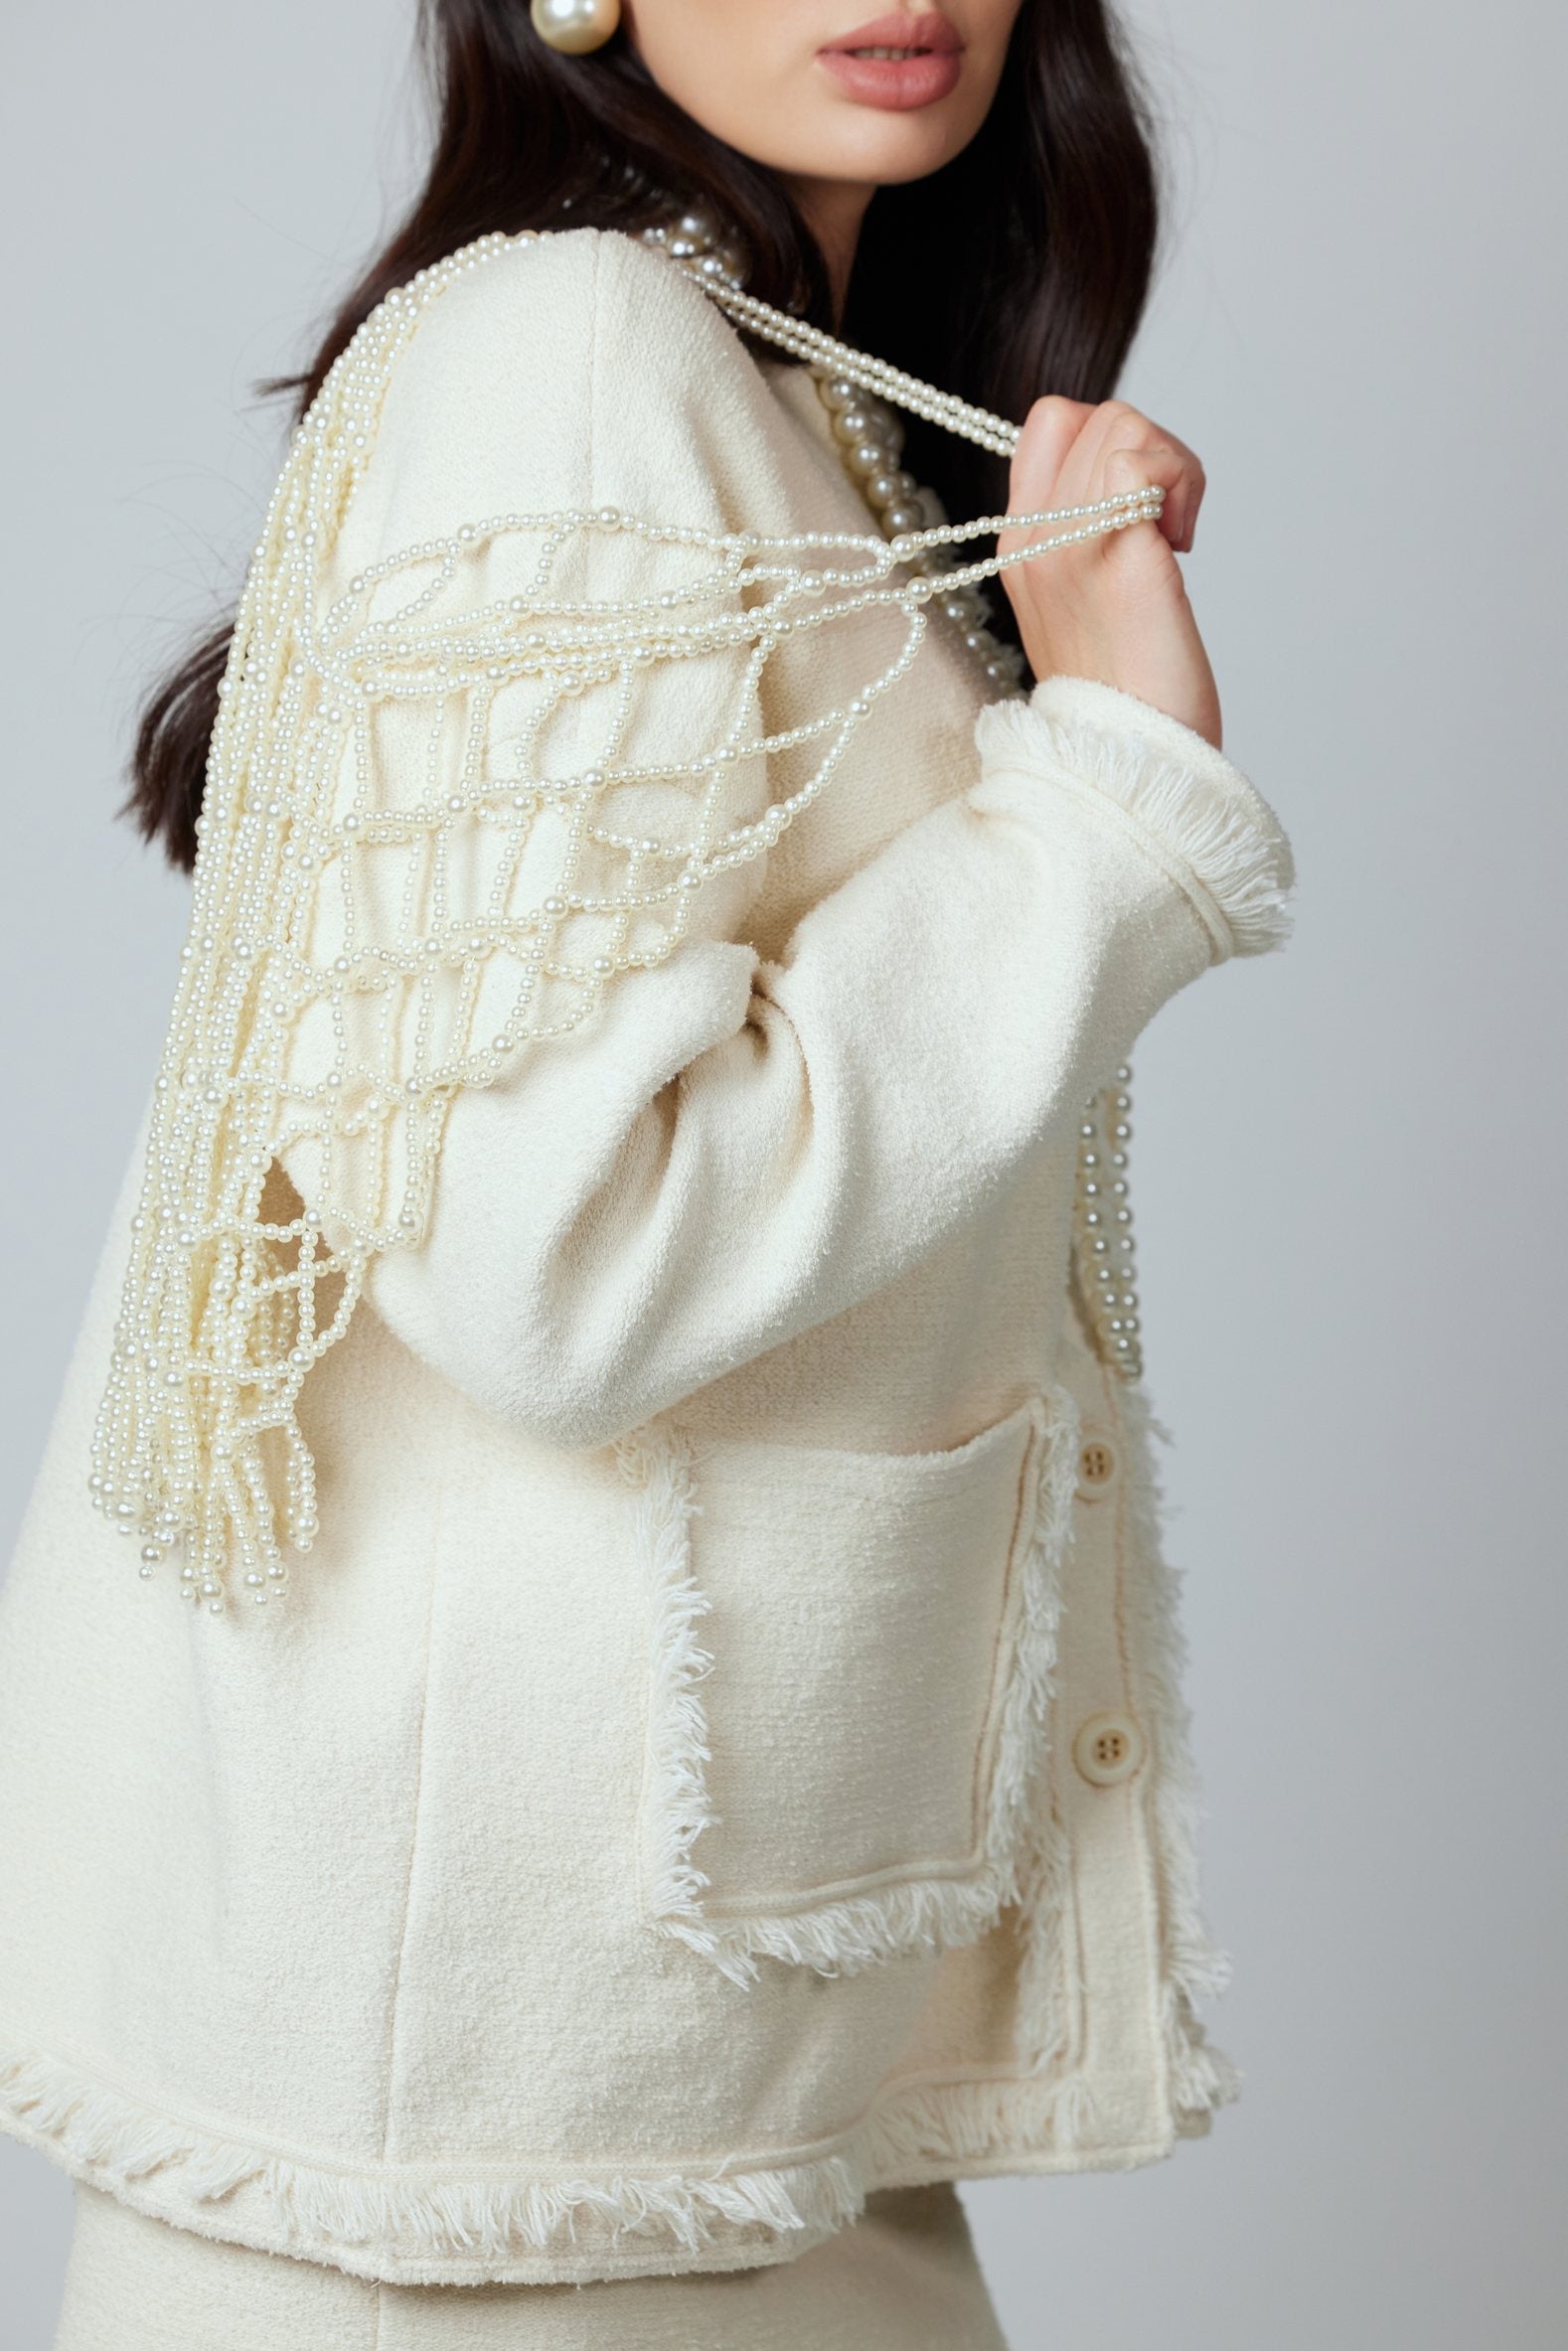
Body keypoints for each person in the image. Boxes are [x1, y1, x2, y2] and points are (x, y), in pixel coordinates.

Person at [0, 2, 1296, 2344]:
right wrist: (1106, 802)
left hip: (685, 2095)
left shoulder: (793, 391)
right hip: (481, 2174)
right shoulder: (577, 350)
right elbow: (553, 1257)